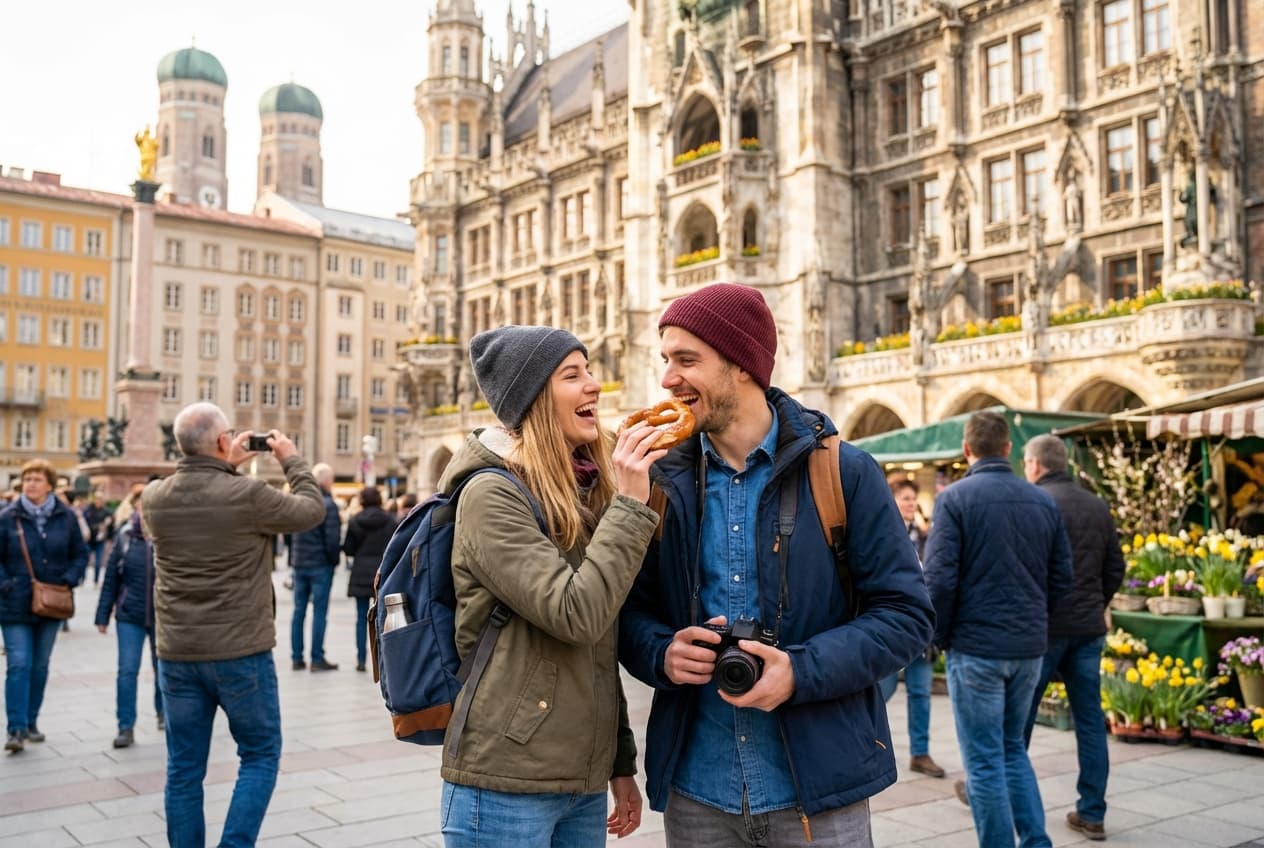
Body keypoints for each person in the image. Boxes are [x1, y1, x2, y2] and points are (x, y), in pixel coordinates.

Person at [619, 282, 935, 847]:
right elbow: (630, 615)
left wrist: (800, 671)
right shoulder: (660, 484)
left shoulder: (844, 472)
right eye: (665, 360)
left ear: (741, 365)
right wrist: (662, 653)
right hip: (698, 794)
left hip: (816, 792)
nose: (668, 378)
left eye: (687, 360)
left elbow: (907, 616)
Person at [439, 325, 664, 846]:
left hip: (579, 780)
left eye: (589, 370)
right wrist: (630, 504)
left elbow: (596, 647)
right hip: (504, 782)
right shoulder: (491, 495)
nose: (594, 385)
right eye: (573, 375)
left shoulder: (578, 489)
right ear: (535, 398)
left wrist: (618, 763)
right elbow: (576, 613)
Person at [142, 402, 326, 847]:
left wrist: (227, 466)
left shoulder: (154, 498)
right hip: (241, 652)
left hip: (179, 653)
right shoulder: (248, 496)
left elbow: (204, 504)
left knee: (183, 770)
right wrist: (289, 458)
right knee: (261, 754)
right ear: (224, 442)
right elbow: (310, 510)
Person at [922, 411, 1073, 848]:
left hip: (976, 647)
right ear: (1008, 449)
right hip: (1028, 646)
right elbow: (1063, 577)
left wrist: (941, 636)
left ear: (966, 450)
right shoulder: (1041, 500)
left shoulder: (954, 500)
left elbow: (939, 581)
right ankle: (1036, 841)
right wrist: (1034, 621)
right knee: (1011, 750)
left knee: (985, 761)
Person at [1021, 434, 1124, 842]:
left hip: (1045, 629)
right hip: (1087, 630)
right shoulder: (1096, 504)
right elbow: (1115, 565)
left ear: (1035, 464)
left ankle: (1005, 797)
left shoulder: (1036, 503)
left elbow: (1027, 569)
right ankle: (1092, 812)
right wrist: (1099, 601)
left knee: (1018, 722)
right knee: (1090, 722)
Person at [0, 460, 89, 752]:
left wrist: (69, 579)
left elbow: (80, 553)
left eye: (37, 479)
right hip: (14, 602)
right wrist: (6, 583)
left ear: (50, 484)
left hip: (52, 600)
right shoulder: (7, 516)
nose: (31, 484)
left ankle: (31, 720)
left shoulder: (65, 516)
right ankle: (15, 729)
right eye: (27, 479)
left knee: (39, 666)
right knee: (19, 664)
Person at [879, 478, 945, 778]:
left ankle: (920, 752)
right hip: (889, 628)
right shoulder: (880, 534)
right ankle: (870, 742)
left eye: (912, 498)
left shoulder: (926, 537)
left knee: (920, 692)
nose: (909, 503)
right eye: (904, 497)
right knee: (881, 689)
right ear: (891, 499)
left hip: (920, 629)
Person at [95, 490, 163, 748]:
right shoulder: (124, 537)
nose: (146, 512)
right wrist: (102, 614)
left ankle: (163, 714)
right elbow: (111, 577)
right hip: (129, 615)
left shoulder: (170, 537)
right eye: (142, 507)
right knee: (127, 671)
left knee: (164, 669)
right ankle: (125, 726)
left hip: (164, 616)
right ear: (135, 509)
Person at [290, 463, 342, 672]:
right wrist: (333, 560)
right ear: (325, 480)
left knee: (298, 610)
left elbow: (290, 533)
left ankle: (296, 657)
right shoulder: (327, 504)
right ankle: (317, 658)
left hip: (299, 563)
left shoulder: (299, 501)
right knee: (319, 611)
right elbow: (332, 538)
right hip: (320, 564)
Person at [342, 487, 397, 672]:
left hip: (360, 573)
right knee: (382, 617)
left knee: (360, 618)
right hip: (382, 573)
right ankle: (382, 657)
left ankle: (361, 659)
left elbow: (348, 549)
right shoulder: (390, 521)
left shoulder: (355, 521)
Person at [84, 491, 115, 586]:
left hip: (100, 540)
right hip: (89, 539)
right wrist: (98, 527)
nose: (98, 501)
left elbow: (111, 525)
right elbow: (85, 523)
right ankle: (82, 580)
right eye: (97, 499)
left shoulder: (107, 511)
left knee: (98, 562)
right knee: (85, 560)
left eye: (100, 499)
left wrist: (109, 527)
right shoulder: (88, 510)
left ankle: (96, 580)